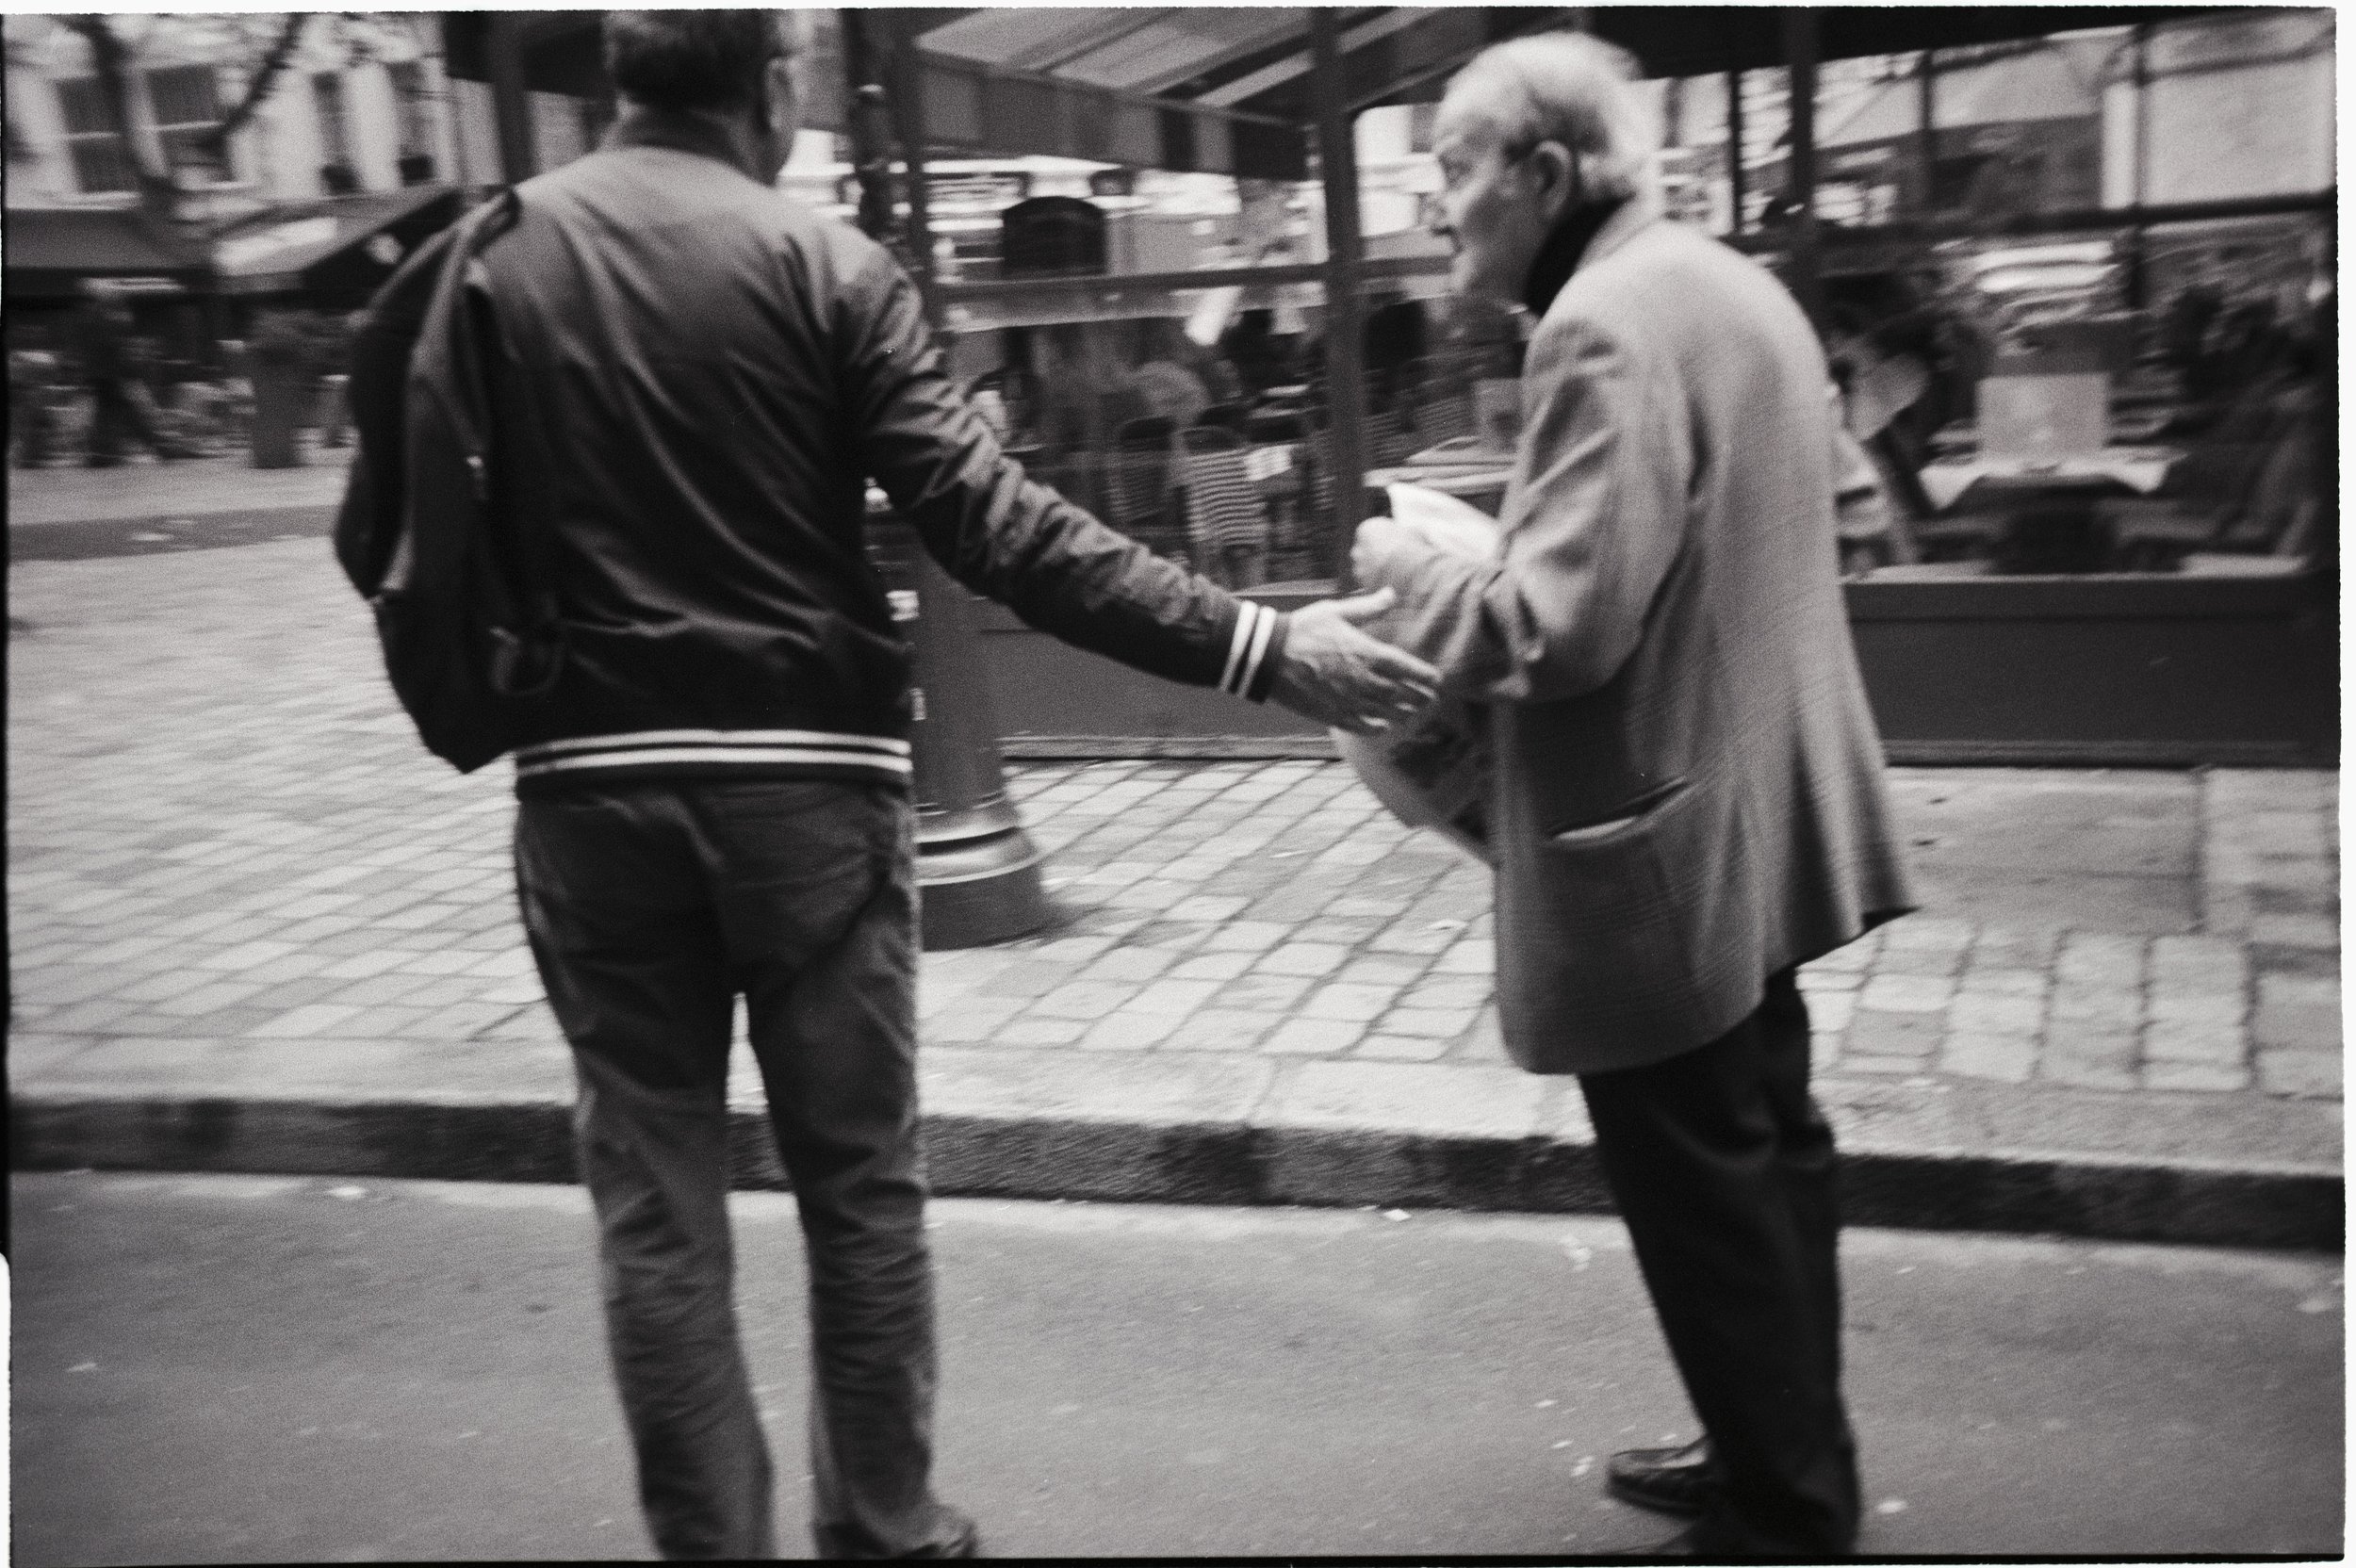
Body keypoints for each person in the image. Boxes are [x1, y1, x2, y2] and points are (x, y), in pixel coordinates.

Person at [352, 12, 1438, 1560]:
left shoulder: (498, 258)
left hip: (591, 792)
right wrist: (1262, 643)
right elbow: (1002, 530)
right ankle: (880, 1523)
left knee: (654, 1205)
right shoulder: (824, 267)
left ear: (619, 83)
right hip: (809, 793)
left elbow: (403, 533)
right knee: (858, 1192)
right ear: (770, 87)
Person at [1351, 34, 1913, 1560]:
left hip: (1667, 837)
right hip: (1761, 800)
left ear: (1544, 174)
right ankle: (1775, 1441)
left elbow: (1558, 626)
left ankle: (1784, 1510)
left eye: (1456, 167)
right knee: (1768, 1149)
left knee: (1707, 1185)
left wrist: (1409, 573)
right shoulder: (1723, 282)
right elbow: (1805, 524)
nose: (1439, 202)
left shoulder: (1597, 323)